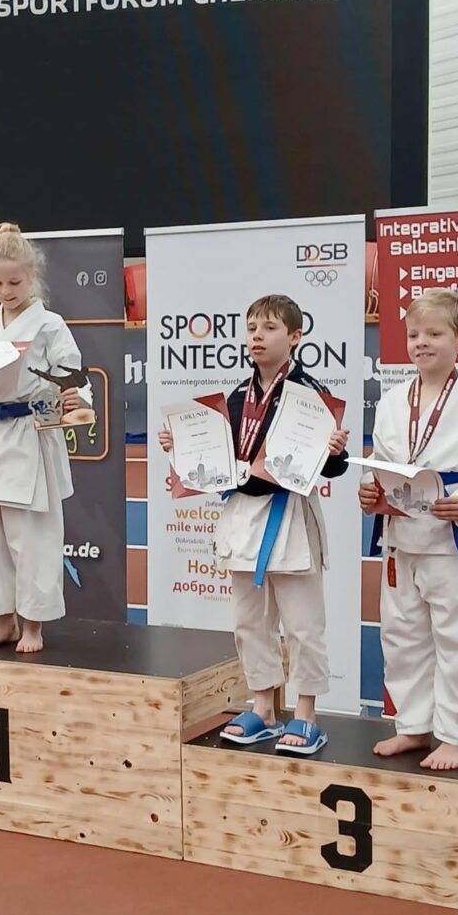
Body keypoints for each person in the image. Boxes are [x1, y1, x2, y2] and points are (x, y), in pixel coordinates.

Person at [159, 294, 349, 754]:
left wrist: (335, 452)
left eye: (269, 328)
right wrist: (180, 446)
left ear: (295, 336)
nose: (257, 337)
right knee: (250, 622)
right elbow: (220, 461)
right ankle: (263, 707)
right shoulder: (236, 396)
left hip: (290, 516)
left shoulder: (311, 395)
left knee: (303, 624)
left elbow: (330, 468)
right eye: (252, 329)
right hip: (243, 517)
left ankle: (306, 714)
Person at [0, 222, 90, 653]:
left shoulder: (50, 324)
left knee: (32, 539)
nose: (6, 290)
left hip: (29, 432)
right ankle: (4, 621)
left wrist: (73, 394)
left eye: (15, 282)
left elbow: (73, 375)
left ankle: (33, 626)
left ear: (32, 276)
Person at [360, 288, 458, 771]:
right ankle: (413, 725)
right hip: (401, 534)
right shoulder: (391, 400)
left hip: (451, 539)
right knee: (402, 633)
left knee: (457, 638)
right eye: (413, 335)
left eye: (434, 333)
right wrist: (370, 491)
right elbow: (381, 464)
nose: (421, 343)